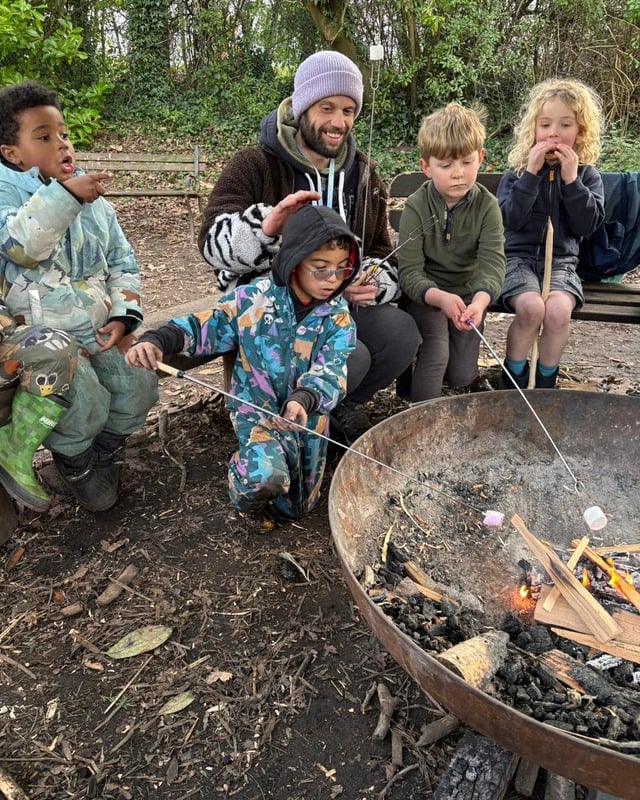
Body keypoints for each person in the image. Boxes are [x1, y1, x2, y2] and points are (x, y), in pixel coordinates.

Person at [198, 50, 420, 445]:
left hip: (337, 305)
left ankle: (332, 409)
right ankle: (282, 427)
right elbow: (210, 242)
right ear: (302, 108)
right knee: (353, 355)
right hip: (270, 313)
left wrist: (371, 280)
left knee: (400, 333)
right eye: (326, 108)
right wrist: (265, 229)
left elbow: (380, 249)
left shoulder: (364, 174)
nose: (339, 122)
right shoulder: (254, 164)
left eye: (349, 110)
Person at [127, 204, 358, 520]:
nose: (332, 278)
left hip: (307, 417)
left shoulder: (338, 317)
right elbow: (207, 326)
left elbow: (332, 369)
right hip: (256, 411)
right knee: (265, 480)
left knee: (299, 508)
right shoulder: (252, 300)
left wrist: (305, 398)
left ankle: (284, 489)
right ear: (294, 260)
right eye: (320, 268)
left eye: (342, 268)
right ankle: (245, 481)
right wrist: (158, 339)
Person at [0, 80, 158, 513]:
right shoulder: (7, 195)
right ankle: (76, 462)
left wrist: (124, 315)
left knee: (138, 383)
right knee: (85, 399)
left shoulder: (93, 199)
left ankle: (103, 453)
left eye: (64, 133)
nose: (62, 144)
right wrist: (66, 196)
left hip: (97, 326)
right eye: (44, 137)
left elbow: (122, 260)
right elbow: (23, 247)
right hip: (41, 342)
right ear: (12, 153)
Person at [497, 78, 605, 389]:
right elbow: (510, 219)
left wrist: (572, 183)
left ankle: (545, 384)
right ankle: (514, 381)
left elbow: (587, 226)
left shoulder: (587, 176)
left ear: (580, 131)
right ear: (533, 129)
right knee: (532, 308)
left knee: (557, 312)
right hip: (517, 261)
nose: (554, 133)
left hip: (561, 263)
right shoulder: (517, 174)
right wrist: (530, 176)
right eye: (545, 124)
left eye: (565, 125)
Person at [397, 102, 505, 402]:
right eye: (445, 166)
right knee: (437, 351)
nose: (458, 174)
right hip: (427, 296)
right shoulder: (417, 206)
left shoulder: (488, 207)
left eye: (467, 162)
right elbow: (409, 273)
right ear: (426, 167)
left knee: (460, 375)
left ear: (480, 158)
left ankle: (456, 376)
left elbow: (493, 266)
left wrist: (480, 302)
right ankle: (422, 416)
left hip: (468, 297)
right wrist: (440, 298)